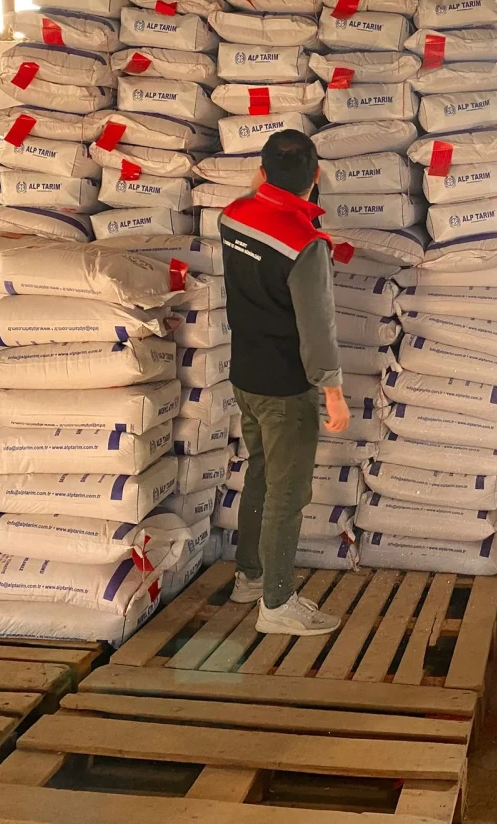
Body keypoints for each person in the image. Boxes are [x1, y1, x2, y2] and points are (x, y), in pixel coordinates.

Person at [218, 129, 352, 636]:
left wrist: (267, 187)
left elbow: (258, 200)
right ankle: (276, 604)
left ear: (262, 171)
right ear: (315, 177)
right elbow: (318, 326)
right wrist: (333, 392)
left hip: (245, 375)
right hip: (285, 386)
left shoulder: (232, 216)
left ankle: (250, 577)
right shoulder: (304, 243)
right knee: (287, 494)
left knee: (260, 473)